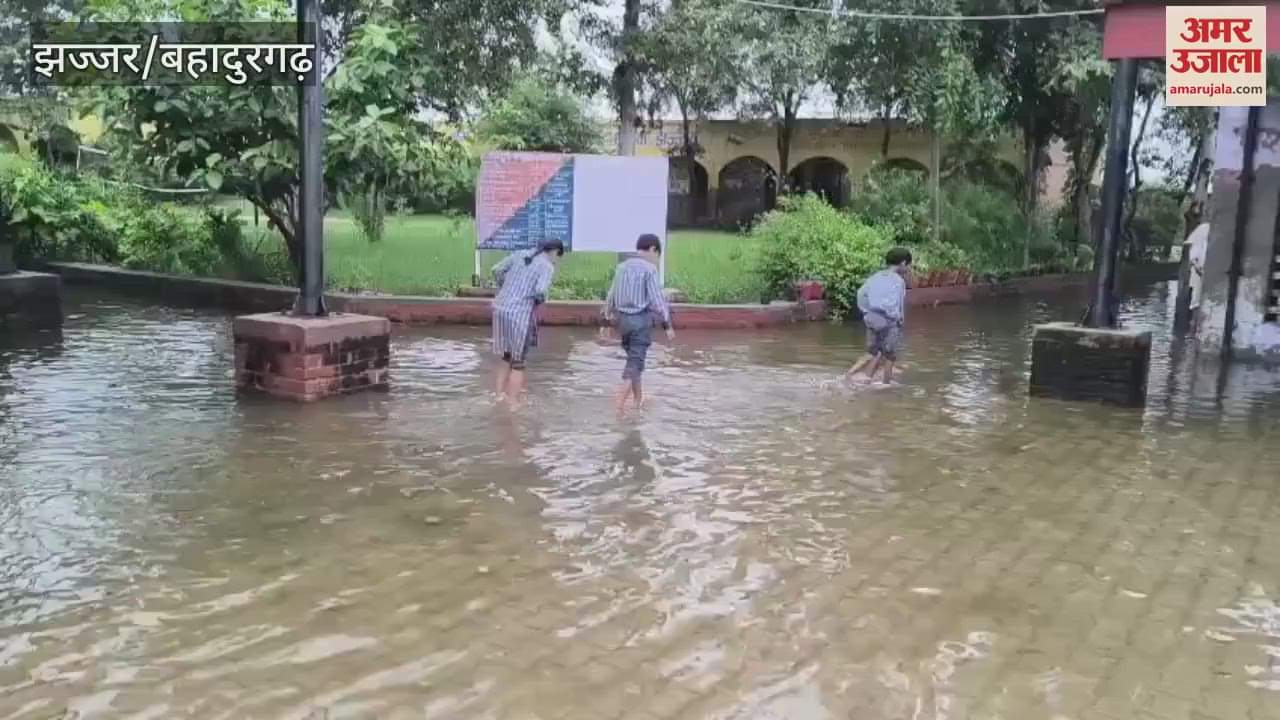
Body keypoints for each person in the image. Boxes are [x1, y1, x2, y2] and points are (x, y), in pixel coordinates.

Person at [602, 234, 674, 412]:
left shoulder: (622, 267)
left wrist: (604, 322)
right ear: (652, 249)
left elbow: (611, 295)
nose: (656, 259)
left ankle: (638, 400)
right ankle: (619, 406)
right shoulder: (649, 269)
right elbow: (657, 300)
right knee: (635, 364)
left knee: (634, 361)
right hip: (640, 321)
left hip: (622, 322)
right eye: (657, 255)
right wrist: (667, 324)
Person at [491, 239, 564, 405]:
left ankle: (498, 396)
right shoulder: (546, 266)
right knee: (518, 362)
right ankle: (513, 404)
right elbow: (540, 291)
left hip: (499, 309)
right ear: (554, 252)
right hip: (519, 314)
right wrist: (538, 301)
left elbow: (496, 270)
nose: (555, 261)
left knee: (505, 356)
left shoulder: (520, 254)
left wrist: (504, 288)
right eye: (557, 257)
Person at [846, 247, 912, 385]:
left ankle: (850, 375)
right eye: (908, 265)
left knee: (872, 353)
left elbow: (861, 294)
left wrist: (866, 311)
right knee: (889, 355)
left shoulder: (874, 277)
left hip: (871, 318)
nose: (908, 268)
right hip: (889, 321)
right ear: (903, 263)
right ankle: (886, 385)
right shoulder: (898, 281)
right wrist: (900, 320)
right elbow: (897, 304)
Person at [1185, 222, 1209, 332]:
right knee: (1196, 302)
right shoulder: (1200, 239)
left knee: (1204, 303)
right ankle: (1193, 328)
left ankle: (1199, 328)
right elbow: (1193, 259)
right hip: (1199, 273)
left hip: (1208, 273)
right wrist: (1198, 268)